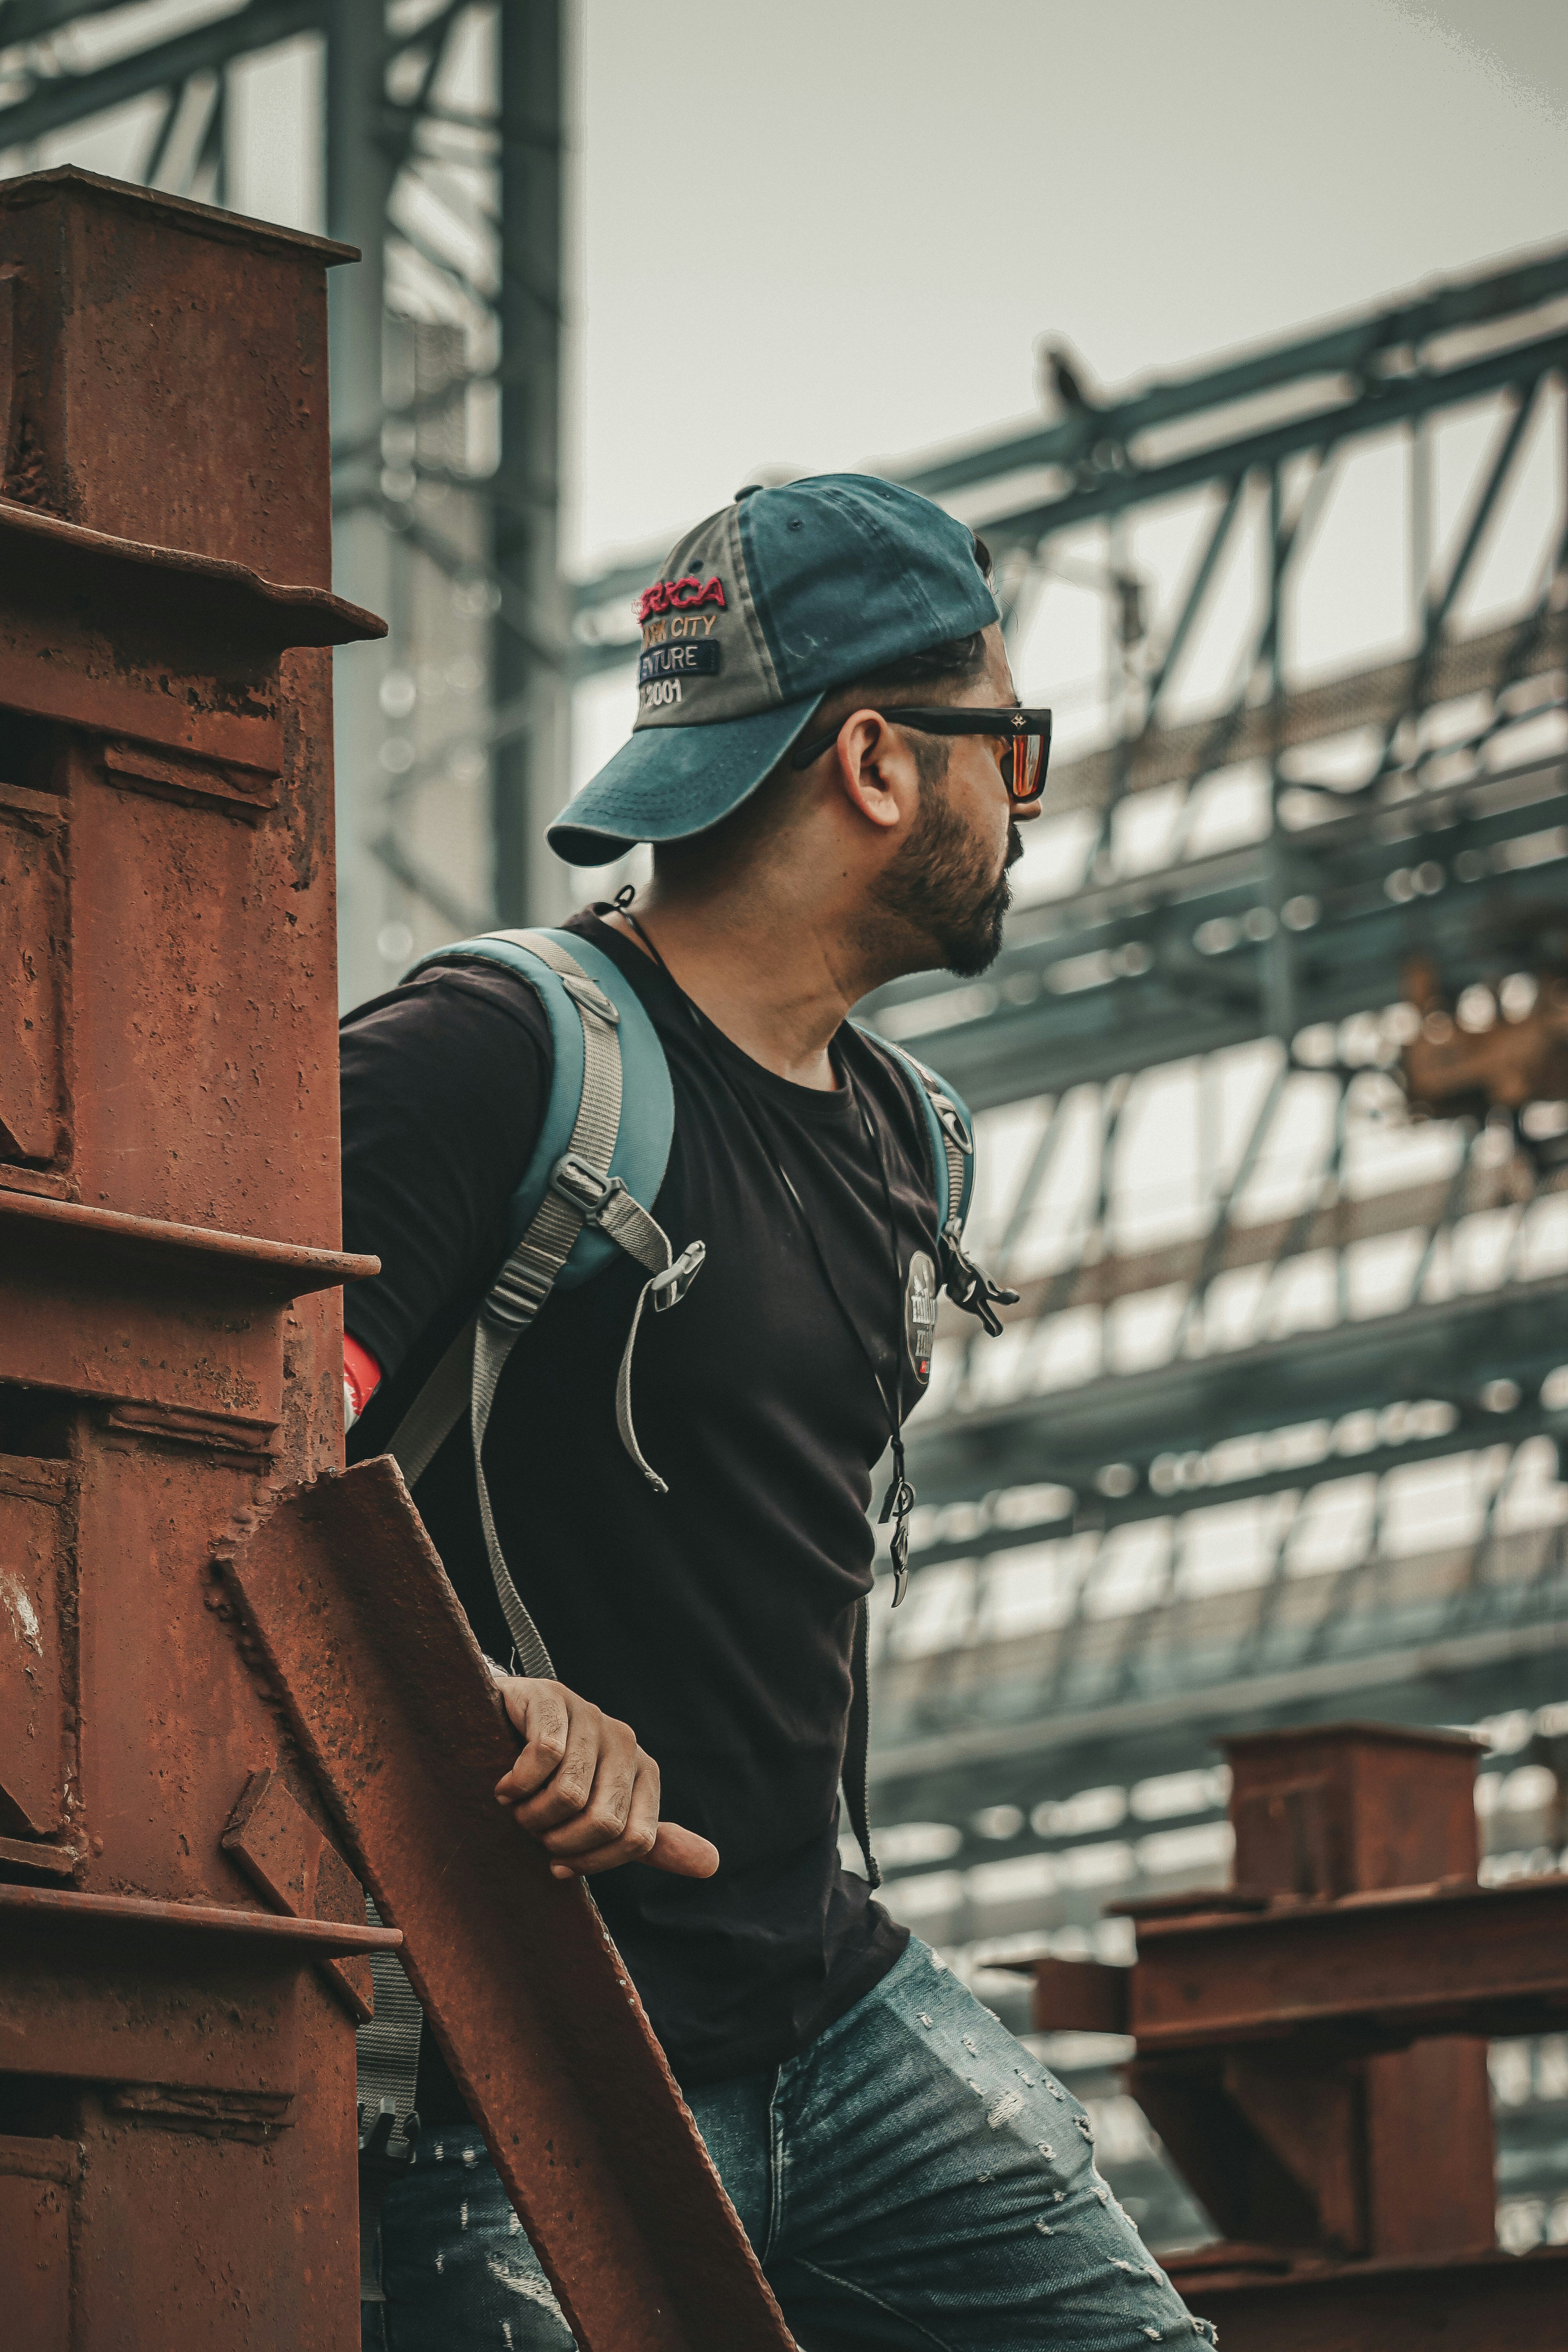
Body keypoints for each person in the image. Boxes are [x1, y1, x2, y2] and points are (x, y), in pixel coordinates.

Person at [341, 476, 1209, 2350]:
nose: (1024, 809)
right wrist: (471, 1694)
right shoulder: (488, 1069)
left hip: (826, 2018)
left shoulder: (911, 1145)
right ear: (882, 762)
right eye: (1015, 748)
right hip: (509, 2066)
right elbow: (191, 1479)